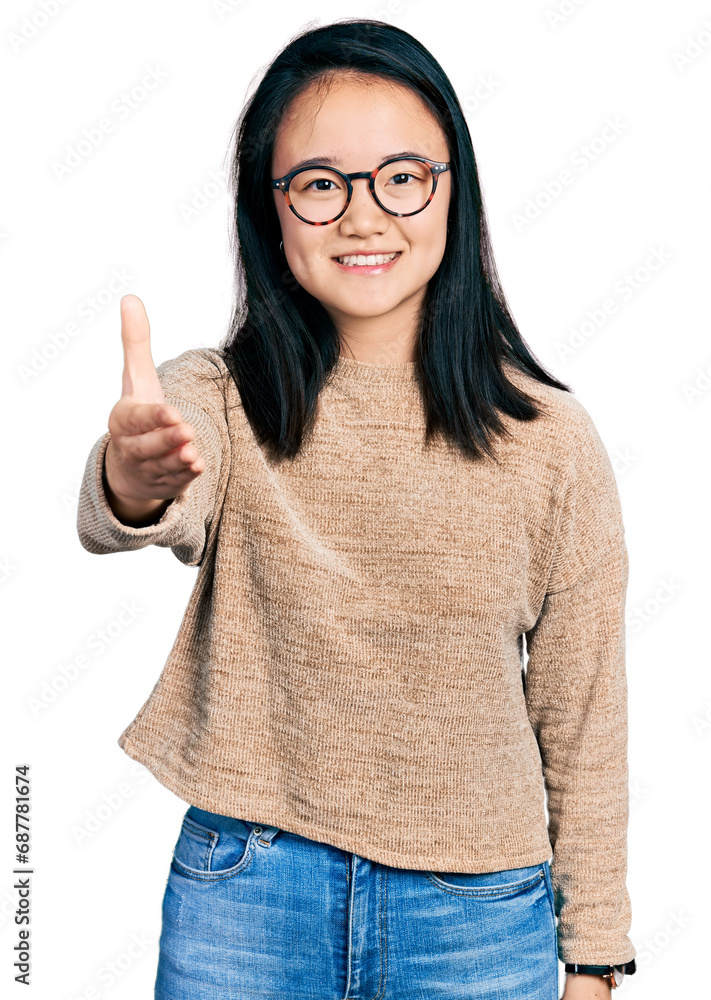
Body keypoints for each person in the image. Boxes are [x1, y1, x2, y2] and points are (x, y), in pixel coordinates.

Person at [76, 18, 636, 999]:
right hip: (247, 892)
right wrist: (134, 474)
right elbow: (142, 499)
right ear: (271, 207)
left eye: (403, 175)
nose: (365, 216)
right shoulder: (215, 398)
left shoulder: (550, 440)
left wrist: (594, 955)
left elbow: (583, 712)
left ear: (452, 188)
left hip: (480, 913)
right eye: (323, 184)